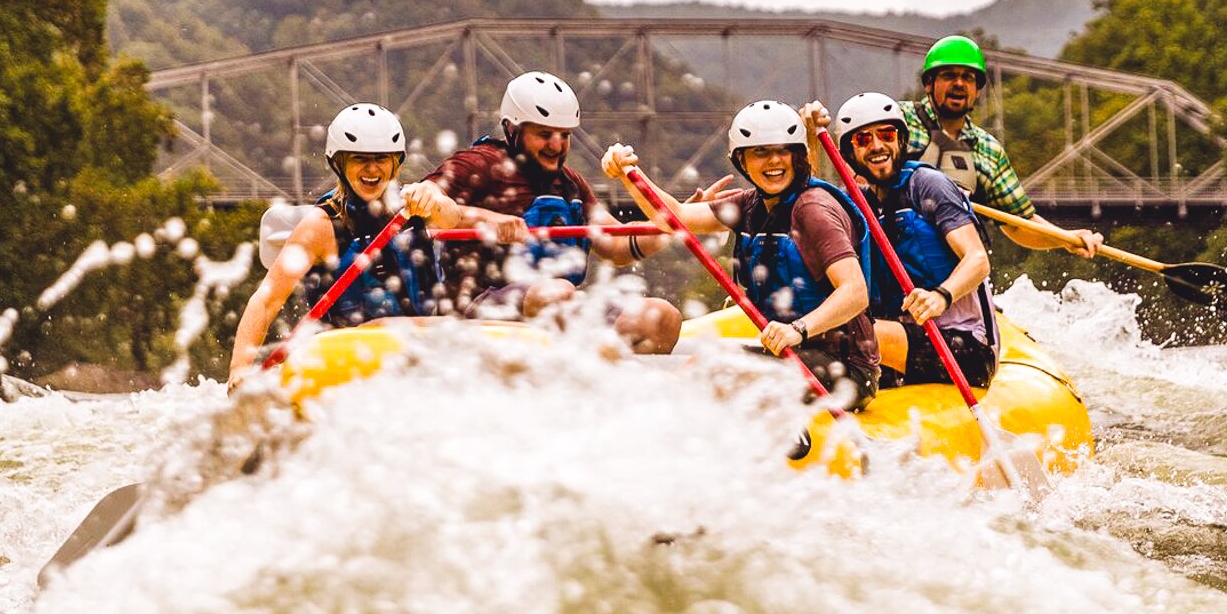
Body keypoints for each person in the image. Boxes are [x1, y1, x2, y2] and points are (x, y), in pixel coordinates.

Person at [600, 101, 880, 401]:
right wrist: (628, 175)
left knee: (717, 367)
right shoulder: (750, 205)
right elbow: (676, 218)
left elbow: (855, 291)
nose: (774, 161)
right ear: (741, 161)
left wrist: (798, 329)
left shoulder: (814, 210)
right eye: (760, 152)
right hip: (793, 352)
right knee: (709, 358)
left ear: (798, 156)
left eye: (783, 150)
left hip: (845, 370)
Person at [229, 102, 514, 375]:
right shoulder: (321, 226)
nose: (372, 169)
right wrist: (239, 368)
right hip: (347, 357)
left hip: (421, 347)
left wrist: (436, 201)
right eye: (360, 159)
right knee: (387, 326)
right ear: (339, 163)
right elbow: (265, 302)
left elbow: (450, 217)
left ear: (395, 163)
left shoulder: (412, 206)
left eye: (381, 159)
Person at [427, 70, 682, 353]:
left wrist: (675, 225)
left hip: (558, 306)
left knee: (661, 318)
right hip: (478, 311)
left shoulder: (570, 184)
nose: (557, 145)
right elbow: (422, 203)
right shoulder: (479, 163)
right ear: (513, 131)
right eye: (544, 134)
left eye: (564, 135)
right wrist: (485, 219)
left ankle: (603, 386)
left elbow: (618, 246)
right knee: (557, 292)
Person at [825, 91, 1000, 389]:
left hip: (964, 345)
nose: (878, 145)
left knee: (847, 334)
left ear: (901, 139)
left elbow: (978, 259)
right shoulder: (859, 205)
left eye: (886, 134)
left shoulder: (929, 185)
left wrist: (940, 296)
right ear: (849, 154)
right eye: (863, 140)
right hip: (906, 340)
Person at [904, 35, 1102, 258]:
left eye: (968, 78)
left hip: (952, 268)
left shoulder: (988, 149)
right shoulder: (899, 120)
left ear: (977, 90)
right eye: (949, 75)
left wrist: (1067, 239)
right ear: (929, 84)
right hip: (893, 256)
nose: (959, 84)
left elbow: (1019, 223)